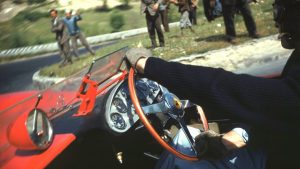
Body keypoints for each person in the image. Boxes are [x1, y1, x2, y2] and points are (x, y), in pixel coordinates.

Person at [125, 0, 300, 168]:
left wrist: (150, 66)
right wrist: (241, 135)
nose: (276, 18)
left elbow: (231, 89)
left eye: (281, 9)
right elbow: (276, 110)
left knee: (181, 150)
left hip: (279, 159)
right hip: (280, 148)